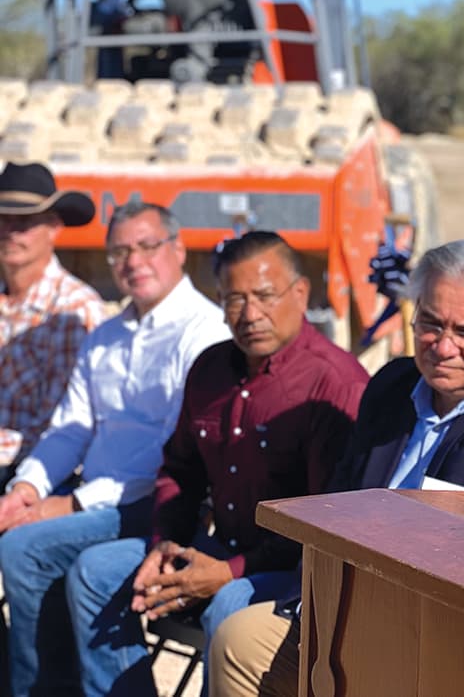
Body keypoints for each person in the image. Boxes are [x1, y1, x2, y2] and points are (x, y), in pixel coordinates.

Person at [207, 235, 464, 697]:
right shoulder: (392, 386)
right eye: (430, 323)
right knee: (238, 639)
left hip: (446, 643)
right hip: (345, 613)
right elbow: (337, 504)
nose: (443, 346)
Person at [64, 230, 369, 697]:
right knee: (95, 572)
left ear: (301, 293)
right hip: (215, 545)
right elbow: (179, 471)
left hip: (290, 571)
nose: (249, 315)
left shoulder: (334, 383)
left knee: (229, 605)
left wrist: (228, 572)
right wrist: (166, 543)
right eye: (233, 300)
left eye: (264, 296)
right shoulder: (210, 368)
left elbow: (327, 530)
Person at [0, 200, 229, 696]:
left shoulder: (203, 333)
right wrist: (27, 486)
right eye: (119, 251)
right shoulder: (106, 336)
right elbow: (72, 426)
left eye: (147, 246)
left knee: (25, 547)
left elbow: (175, 451)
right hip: (104, 498)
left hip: (162, 503)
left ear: (179, 248)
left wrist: (71, 503)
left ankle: (41, 689)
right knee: (23, 532)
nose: (133, 261)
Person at [0, 161, 105, 482]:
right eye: (4, 220)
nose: (11, 233)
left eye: (26, 222)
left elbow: (57, 424)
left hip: (39, 472)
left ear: (54, 227)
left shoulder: (74, 308)